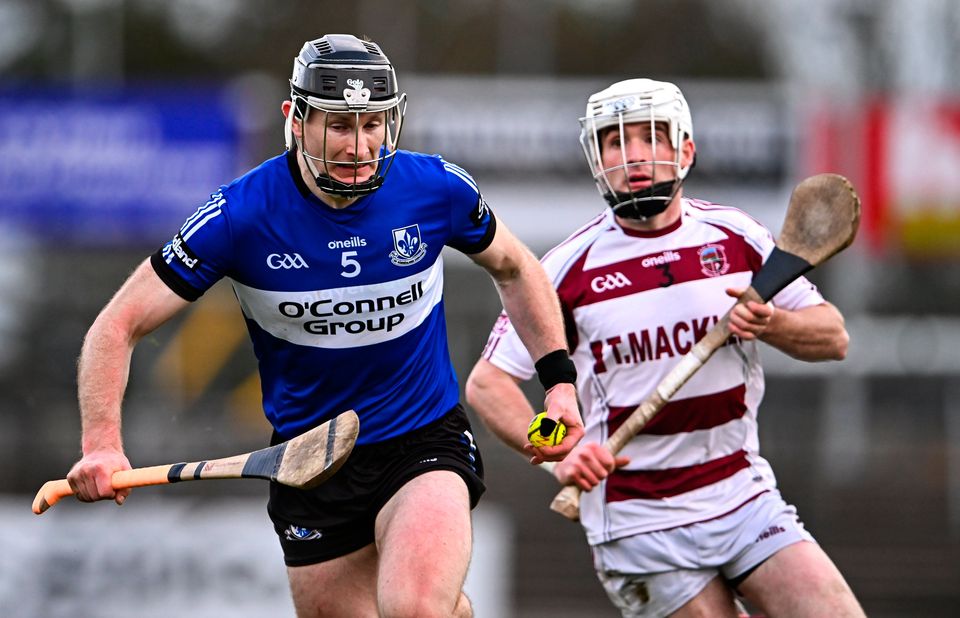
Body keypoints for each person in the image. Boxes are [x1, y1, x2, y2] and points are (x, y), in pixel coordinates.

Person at [65, 33, 583, 618]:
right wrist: (102, 446)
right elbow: (118, 324)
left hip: (422, 437)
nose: (360, 146)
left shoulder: (435, 188)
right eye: (339, 124)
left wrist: (558, 380)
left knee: (413, 608)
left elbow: (517, 269)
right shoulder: (240, 216)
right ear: (296, 118)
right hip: (307, 463)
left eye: (373, 124)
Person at [465, 78, 865, 617]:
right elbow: (488, 384)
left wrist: (770, 325)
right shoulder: (564, 271)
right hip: (637, 520)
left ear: (685, 150)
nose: (632, 155)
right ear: (595, 156)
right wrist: (558, 449)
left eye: (649, 137)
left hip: (742, 494)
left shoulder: (736, 237)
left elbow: (832, 336)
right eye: (614, 141)